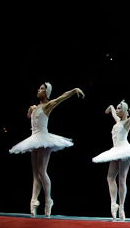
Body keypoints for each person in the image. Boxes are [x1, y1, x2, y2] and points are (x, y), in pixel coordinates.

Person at [10, 82, 85, 218]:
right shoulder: (34, 107)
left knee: (41, 170)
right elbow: (31, 113)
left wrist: (74, 90)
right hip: (34, 138)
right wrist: (30, 110)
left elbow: (61, 97)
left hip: (44, 139)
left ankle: (48, 200)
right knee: (35, 173)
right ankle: (33, 200)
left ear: (47, 92)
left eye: (42, 89)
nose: (38, 90)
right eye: (38, 88)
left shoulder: (48, 106)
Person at [92, 95, 130, 221]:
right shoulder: (118, 122)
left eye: (119, 108)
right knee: (110, 177)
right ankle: (113, 203)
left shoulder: (127, 122)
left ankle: (121, 206)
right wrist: (110, 108)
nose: (117, 110)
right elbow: (115, 117)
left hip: (125, 150)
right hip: (116, 151)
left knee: (122, 179)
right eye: (116, 108)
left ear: (125, 111)